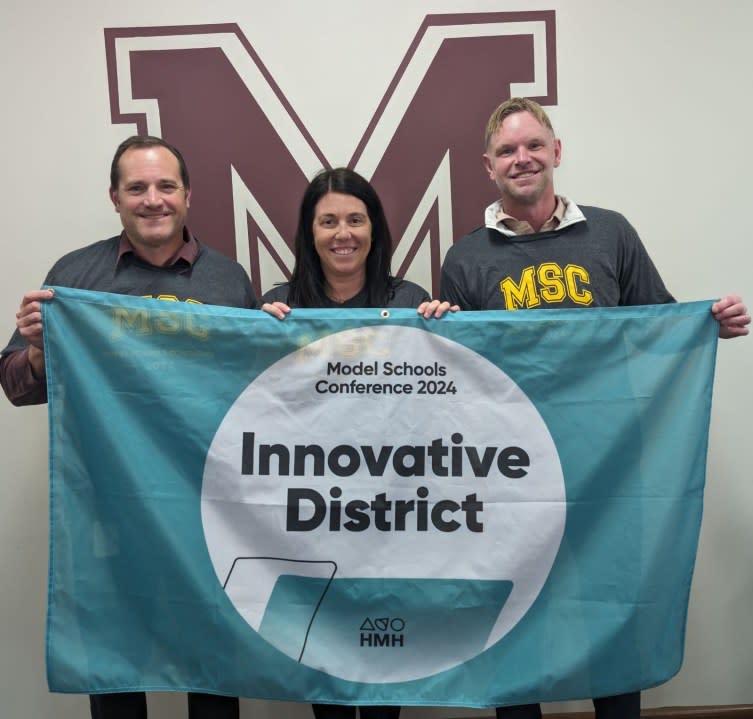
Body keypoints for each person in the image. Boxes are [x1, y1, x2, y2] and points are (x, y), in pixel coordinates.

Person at [439, 97, 750, 719]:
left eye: (533, 145)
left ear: (557, 151)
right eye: (506, 150)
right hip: (512, 477)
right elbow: (457, 382)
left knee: (611, 612)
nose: (521, 159)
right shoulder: (465, 258)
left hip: (609, 469)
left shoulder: (610, 232)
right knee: (515, 622)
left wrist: (705, 324)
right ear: (488, 165)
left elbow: (655, 326)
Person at [0, 135, 255, 718]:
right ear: (114, 198)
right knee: (114, 670)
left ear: (188, 196)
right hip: (106, 512)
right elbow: (16, 385)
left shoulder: (228, 282)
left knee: (213, 672)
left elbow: (250, 394)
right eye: (136, 188)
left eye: (166, 186)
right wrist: (39, 350)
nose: (153, 199)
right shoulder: (75, 278)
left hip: (204, 510)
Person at [261, 166, 456, 719]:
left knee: (381, 653)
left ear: (374, 230)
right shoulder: (278, 306)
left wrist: (449, 332)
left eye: (354, 219)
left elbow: (444, 400)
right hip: (313, 506)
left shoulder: (412, 299)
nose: (342, 233)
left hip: (391, 506)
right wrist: (252, 334)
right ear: (309, 232)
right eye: (327, 221)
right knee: (324, 654)